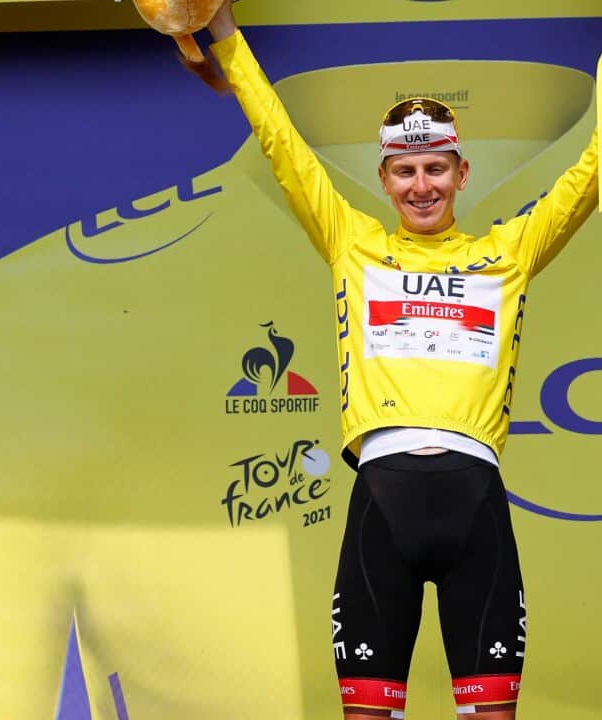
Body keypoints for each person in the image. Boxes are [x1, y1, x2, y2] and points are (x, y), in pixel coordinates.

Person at [197, 5, 598, 719]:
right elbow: (281, 144)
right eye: (405, 171)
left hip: (476, 502)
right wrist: (225, 34)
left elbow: (590, 174)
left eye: (435, 168)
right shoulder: (353, 244)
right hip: (380, 505)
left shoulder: (507, 253)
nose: (422, 186)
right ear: (384, 180)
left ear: (462, 172)